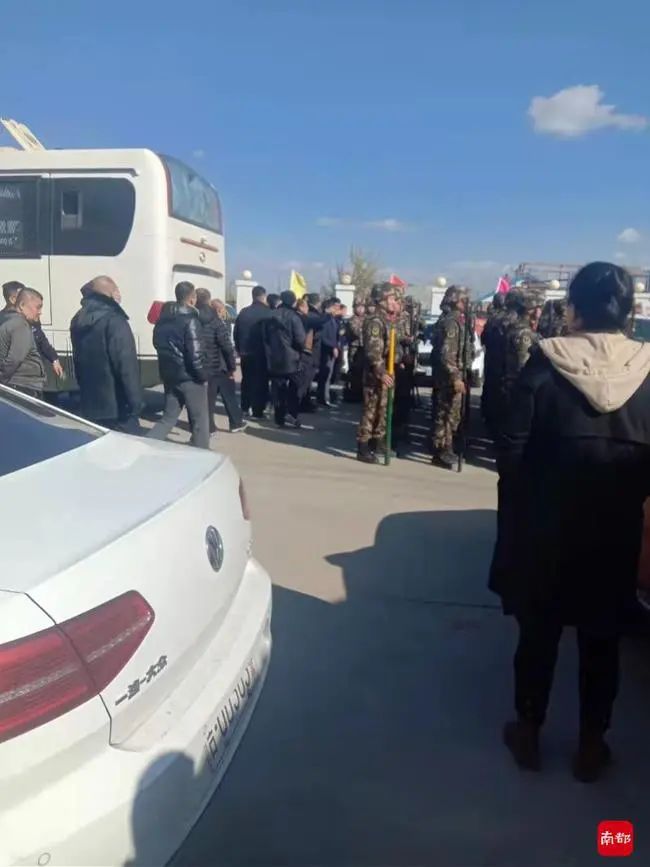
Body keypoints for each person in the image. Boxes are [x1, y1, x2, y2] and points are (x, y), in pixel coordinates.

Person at [490, 262, 650, 783]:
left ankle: (528, 734)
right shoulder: (647, 372)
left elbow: (511, 452)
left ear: (574, 310)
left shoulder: (544, 366)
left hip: (546, 531)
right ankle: (590, 747)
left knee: (538, 635)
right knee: (602, 641)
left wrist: (525, 509)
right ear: (630, 313)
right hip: (616, 533)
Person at [70, 276, 142, 432]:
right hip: (118, 407)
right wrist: (136, 402)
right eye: (117, 290)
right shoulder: (115, 320)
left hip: (90, 404)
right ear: (111, 293)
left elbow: (77, 361)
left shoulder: (77, 319)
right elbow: (126, 366)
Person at [148, 281, 209, 448]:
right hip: (190, 378)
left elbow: (157, 344)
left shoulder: (162, 321)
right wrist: (203, 376)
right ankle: (203, 452)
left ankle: (146, 444)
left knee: (168, 418)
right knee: (200, 420)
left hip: (170, 376)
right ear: (192, 298)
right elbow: (195, 355)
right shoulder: (191, 321)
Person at [356, 283, 399, 464]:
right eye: (391, 298)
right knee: (371, 411)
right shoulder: (375, 321)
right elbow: (373, 351)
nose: (394, 302)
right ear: (381, 300)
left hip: (386, 372)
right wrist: (381, 372)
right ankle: (363, 447)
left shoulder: (386, 320)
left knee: (382, 410)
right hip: (376, 375)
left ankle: (378, 442)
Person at [195, 289, 245, 436]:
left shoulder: (193, 319)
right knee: (229, 395)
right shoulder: (217, 322)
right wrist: (232, 367)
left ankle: (209, 427)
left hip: (201, 365)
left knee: (208, 399)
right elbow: (227, 346)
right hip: (220, 365)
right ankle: (236, 423)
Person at [429, 285, 468, 469]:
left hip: (450, 375)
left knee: (451, 415)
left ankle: (447, 447)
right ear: (455, 301)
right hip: (448, 378)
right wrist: (455, 377)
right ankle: (441, 451)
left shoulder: (455, 320)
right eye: (463, 300)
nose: (466, 303)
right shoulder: (451, 323)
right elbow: (447, 354)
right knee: (446, 414)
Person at [1, 280, 65, 381]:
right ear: (12, 299)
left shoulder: (32, 318)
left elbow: (41, 339)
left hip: (34, 375)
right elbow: (12, 359)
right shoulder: (4, 321)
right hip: (16, 379)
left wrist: (54, 359)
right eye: (21, 295)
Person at [498, 287, 544, 422]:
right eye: (538, 307)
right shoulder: (524, 333)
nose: (540, 311)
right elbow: (523, 365)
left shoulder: (517, 328)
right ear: (530, 310)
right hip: (519, 389)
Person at [263, 290, 306, 427]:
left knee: (277, 389)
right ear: (293, 302)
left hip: (274, 358)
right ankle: (292, 414)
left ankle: (279, 418)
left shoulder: (269, 315)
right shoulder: (294, 317)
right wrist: (300, 350)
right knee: (295, 387)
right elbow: (300, 339)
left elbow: (265, 338)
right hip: (292, 359)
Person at [0, 287, 47, 397]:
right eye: (38, 307)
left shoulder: (13, 322)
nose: (40, 312)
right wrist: (2, 381)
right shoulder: (20, 325)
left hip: (18, 385)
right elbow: (14, 360)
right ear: (22, 305)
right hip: (22, 386)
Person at [233, 285, 271, 419]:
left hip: (245, 353)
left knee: (247, 380)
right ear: (264, 296)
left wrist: (239, 348)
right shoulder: (268, 312)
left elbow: (236, 332)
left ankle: (244, 407)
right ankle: (258, 411)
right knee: (261, 382)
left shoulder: (244, 312)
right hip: (262, 353)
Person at [317, 298, 341, 406]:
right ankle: (323, 398)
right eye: (335, 307)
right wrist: (333, 347)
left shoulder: (332, 318)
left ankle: (324, 397)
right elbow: (326, 336)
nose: (337, 309)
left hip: (330, 350)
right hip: (326, 351)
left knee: (327, 375)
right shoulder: (326, 319)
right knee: (325, 375)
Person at [344, 300, 365, 402]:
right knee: (354, 370)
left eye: (362, 307)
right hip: (355, 348)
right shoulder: (352, 320)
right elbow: (356, 332)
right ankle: (353, 392)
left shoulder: (366, 319)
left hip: (363, 348)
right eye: (358, 307)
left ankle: (359, 392)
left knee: (361, 371)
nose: (360, 309)